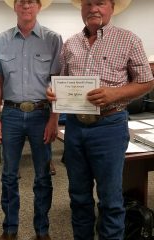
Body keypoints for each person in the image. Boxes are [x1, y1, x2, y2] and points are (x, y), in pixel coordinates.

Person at [46, 0, 154, 239]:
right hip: (74, 127)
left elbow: (147, 81)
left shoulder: (129, 39)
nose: (93, 8)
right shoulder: (70, 43)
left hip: (109, 126)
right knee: (79, 196)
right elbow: (60, 82)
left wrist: (115, 93)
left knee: (110, 199)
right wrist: (54, 92)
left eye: (100, 3)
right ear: (82, 8)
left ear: (112, 7)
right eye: (88, 3)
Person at [0, 0, 63, 239]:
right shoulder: (1, 40)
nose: (26, 6)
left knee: (42, 175)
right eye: (21, 1)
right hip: (9, 114)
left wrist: (54, 119)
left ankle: (42, 230)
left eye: (31, 2)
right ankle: (10, 229)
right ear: (15, 7)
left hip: (41, 114)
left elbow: (57, 83)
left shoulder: (53, 39)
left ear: (39, 6)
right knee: (9, 174)